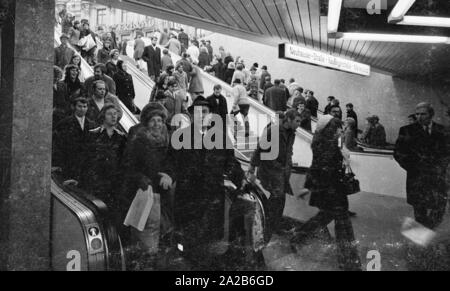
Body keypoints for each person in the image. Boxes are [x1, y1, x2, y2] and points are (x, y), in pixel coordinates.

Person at [169, 96, 246, 270]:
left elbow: (231, 161)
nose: (201, 115)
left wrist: (240, 178)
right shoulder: (180, 136)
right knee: (190, 237)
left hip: (212, 195)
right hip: (189, 196)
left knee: (210, 237)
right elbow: (171, 162)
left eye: (205, 112)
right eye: (197, 112)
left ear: (210, 115)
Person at [291, 116, 361, 271]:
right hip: (332, 192)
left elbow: (318, 167)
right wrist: (308, 187)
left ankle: (298, 236)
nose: (340, 131)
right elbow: (317, 167)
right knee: (343, 227)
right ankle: (349, 262)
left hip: (330, 191)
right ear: (330, 129)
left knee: (324, 218)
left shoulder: (327, 143)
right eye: (338, 128)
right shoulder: (325, 145)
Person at [122, 102, 174, 260]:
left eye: (159, 120)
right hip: (144, 192)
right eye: (153, 120)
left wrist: (170, 175)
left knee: (162, 234)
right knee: (144, 238)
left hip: (163, 194)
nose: (157, 124)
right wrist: (141, 179)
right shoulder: (138, 139)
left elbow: (173, 163)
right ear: (146, 122)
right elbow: (127, 165)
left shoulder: (168, 138)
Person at [248, 110, 301, 243]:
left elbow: (288, 151)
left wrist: (288, 165)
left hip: (281, 172)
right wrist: (252, 167)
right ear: (288, 119)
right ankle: (264, 232)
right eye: (297, 121)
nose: (299, 124)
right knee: (274, 199)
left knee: (279, 200)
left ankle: (272, 227)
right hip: (270, 170)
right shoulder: (274, 130)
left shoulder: (291, 133)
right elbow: (260, 149)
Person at [394, 102, 449, 229]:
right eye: (417, 114)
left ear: (431, 114)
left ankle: (428, 231)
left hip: (437, 177)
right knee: (420, 210)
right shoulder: (407, 130)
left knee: (439, 208)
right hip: (417, 177)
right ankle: (421, 242)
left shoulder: (443, 130)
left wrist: (440, 167)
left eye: (423, 114)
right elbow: (399, 153)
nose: (419, 117)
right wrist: (413, 167)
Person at [82, 104, 127, 228]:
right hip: (95, 180)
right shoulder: (92, 134)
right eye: (110, 114)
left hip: (114, 182)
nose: (113, 116)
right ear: (103, 116)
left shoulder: (122, 137)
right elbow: (85, 158)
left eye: (115, 114)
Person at [52, 97, 95, 185]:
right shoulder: (65, 123)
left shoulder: (92, 124)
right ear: (74, 107)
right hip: (69, 161)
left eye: (84, 106)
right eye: (79, 106)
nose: (82, 109)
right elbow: (59, 144)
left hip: (84, 163)